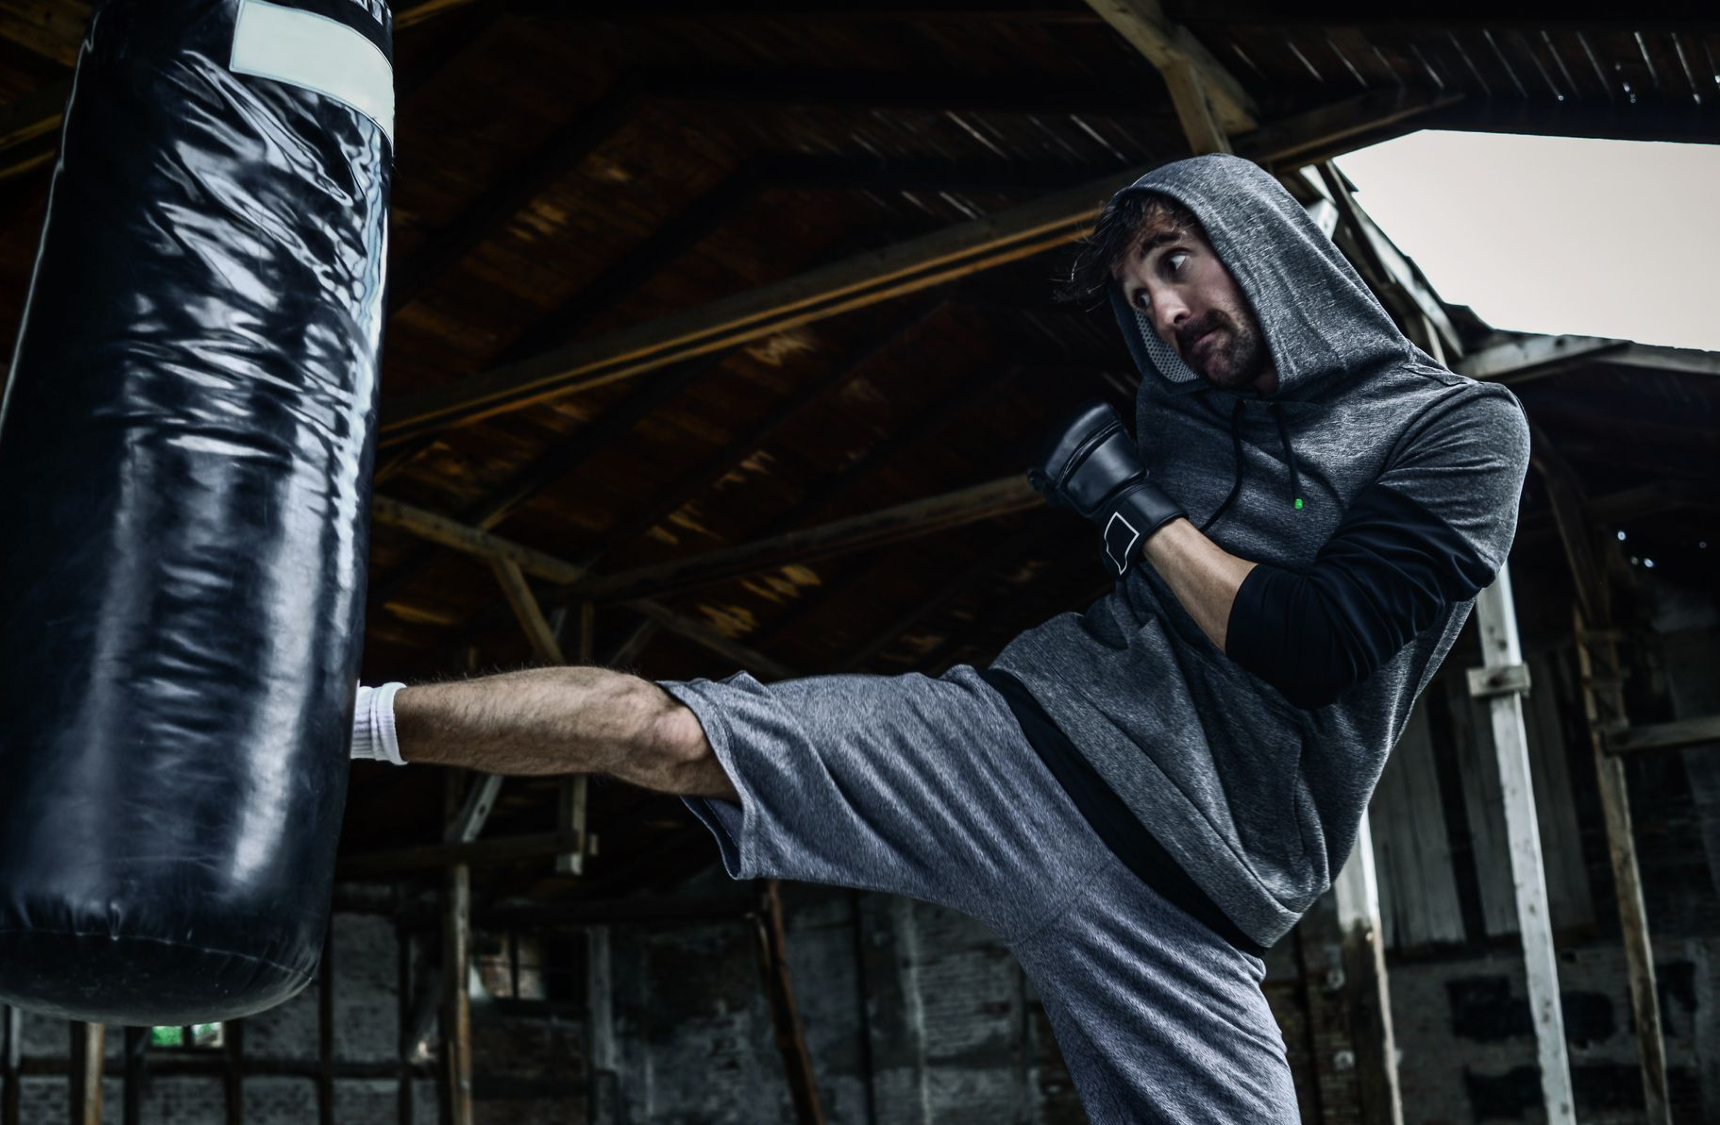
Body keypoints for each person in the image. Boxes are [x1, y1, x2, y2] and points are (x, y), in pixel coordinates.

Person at [350, 153, 1529, 1123]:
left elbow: (1311, 642)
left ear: (1263, 243)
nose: (1163, 313)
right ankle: (330, 717)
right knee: (658, 731)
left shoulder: (1454, 429)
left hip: (1194, 899)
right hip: (1013, 747)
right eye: (1136, 299)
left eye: (1174, 263)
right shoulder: (1178, 403)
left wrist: (1132, 509)